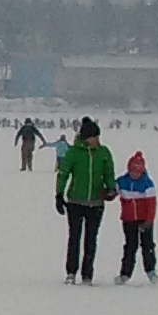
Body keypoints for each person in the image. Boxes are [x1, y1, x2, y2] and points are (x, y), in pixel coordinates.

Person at [51, 119, 114, 281]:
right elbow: (63, 173)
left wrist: (111, 189)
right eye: (94, 137)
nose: (97, 140)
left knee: (91, 240)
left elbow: (109, 173)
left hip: (96, 203)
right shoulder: (73, 153)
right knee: (74, 238)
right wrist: (59, 194)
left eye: (98, 137)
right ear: (86, 137)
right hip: (75, 202)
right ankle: (71, 272)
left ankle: (87, 274)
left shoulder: (103, 152)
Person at [111, 153, 158, 280]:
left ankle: (151, 270)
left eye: (138, 172)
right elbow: (113, 191)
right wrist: (109, 193)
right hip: (128, 220)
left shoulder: (147, 184)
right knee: (130, 246)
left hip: (144, 220)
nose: (135, 174)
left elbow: (151, 205)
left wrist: (149, 220)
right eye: (133, 171)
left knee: (147, 245)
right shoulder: (122, 181)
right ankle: (125, 273)